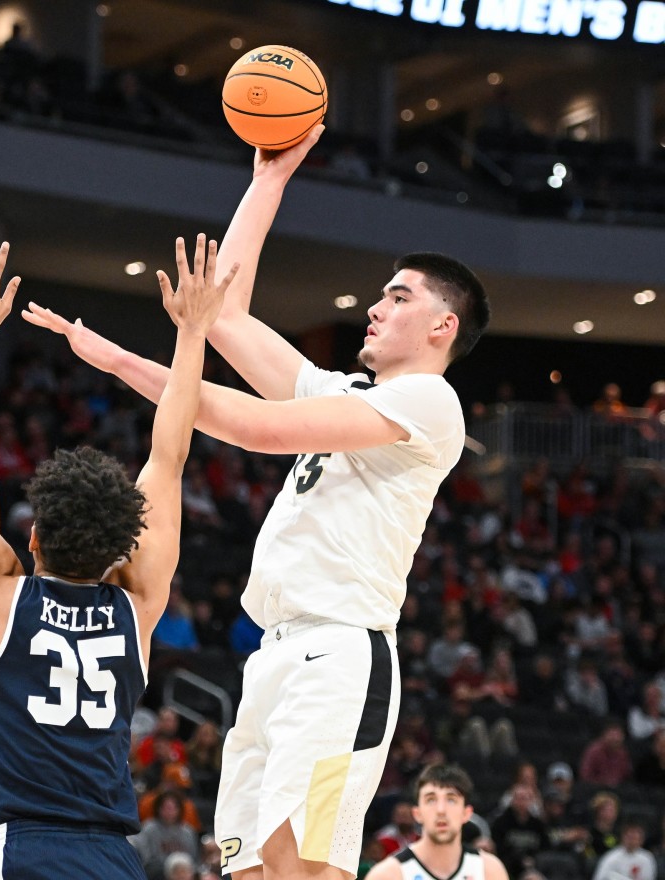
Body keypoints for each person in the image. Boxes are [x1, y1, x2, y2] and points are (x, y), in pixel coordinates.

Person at [24, 126, 491, 880]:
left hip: (341, 658)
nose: (375, 307)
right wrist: (267, 180)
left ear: (443, 326)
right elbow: (229, 314)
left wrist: (119, 362)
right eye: (379, 294)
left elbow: (254, 426)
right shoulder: (348, 393)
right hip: (273, 654)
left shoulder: (432, 403)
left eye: (397, 297)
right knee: (245, 869)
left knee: (303, 868)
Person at [0, 230, 235, 880]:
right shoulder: (139, 605)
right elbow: (169, 455)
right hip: (112, 859)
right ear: (120, 549)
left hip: (25, 850)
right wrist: (192, 335)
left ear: (33, 538)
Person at [364, 764, 508, 880]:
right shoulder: (388, 875)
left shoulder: (489, 871)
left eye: (451, 799)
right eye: (431, 799)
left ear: (466, 813)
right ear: (417, 813)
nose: (441, 810)